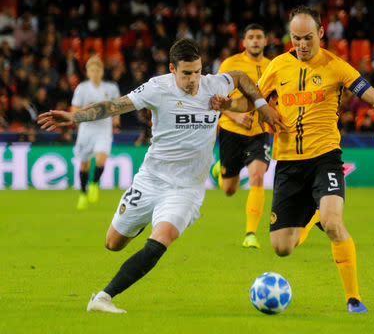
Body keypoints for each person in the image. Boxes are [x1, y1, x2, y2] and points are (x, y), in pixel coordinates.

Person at [38, 38, 285, 314]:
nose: (194, 80)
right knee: (113, 243)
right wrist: (74, 118)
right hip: (151, 179)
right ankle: (144, 219)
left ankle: (104, 297)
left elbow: (240, 77)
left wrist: (260, 105)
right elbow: (115, 106)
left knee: (162, 238)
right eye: (186, 73)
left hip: (187, 189)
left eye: (197, 71)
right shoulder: (157, 88)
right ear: (172, 69)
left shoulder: (213, 85)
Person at [212, 5, 374, 313]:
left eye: (308, 38)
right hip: (287, 163)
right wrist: (230, 105)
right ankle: (312, 214)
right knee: (282, 248)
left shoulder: (336, 66)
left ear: (321, 33)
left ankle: (353, 299)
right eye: (295, 38)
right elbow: (254, 99)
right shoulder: (278, 66)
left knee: (333, 222)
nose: (301, 45)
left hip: (325, 158)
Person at [211, 23, 271, 249]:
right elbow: (215, 99)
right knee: (229, 190)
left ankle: (250, 234)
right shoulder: (231, 64)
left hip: (259, 132)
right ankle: (220, 167)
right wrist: (236, 117)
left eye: (259, 37)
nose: (255, 41)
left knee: (257, 177)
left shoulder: (272, 66)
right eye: (251, 37)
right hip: (231, 131)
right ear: (243, 42)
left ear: (265, 41)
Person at [71, 56, 121, 210]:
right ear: (87, 72)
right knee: (84, 164)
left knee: (101, 160)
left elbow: (118, 105)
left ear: (102, 71)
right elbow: (74, 108)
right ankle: (83, 192)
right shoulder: (82, 88)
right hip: (86, 130)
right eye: (92, 70)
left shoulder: (111, 88)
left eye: (97, 70)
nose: (95, 73)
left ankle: (94, 184)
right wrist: (86, 110)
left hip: (103, 130)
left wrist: (116, 118)